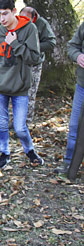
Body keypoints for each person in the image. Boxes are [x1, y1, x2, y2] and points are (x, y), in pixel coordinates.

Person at [0, 0, 44, 169]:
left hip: (20, 87)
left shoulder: (29, 29)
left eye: (5, 13)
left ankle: (30, 151)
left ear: (14, 11)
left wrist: (15, 43)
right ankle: (4, 153)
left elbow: (34, 59)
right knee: (1, 124)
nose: (2, 18)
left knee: (20, 127)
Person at [19, 6, 56, 125]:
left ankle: (26, 123)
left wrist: (34, 46)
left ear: (33, 17)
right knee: (17, 93)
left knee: (29, 95)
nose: (23, 21)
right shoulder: (16, 22)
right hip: (19, 64)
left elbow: (51, 42)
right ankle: (16, 120)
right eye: (21, 18)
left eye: (26, 20)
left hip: (34, 64)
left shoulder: (42, 24)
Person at [55, 22, 84, 175]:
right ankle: (69, 166)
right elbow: (72, 46)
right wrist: (78, 56)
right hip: (82, 86)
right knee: (74, 127)